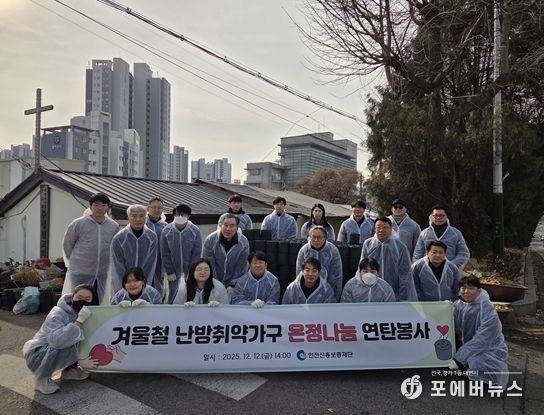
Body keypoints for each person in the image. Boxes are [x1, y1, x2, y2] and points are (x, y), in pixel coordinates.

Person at [22, 284, 98, 394]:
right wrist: (78, 322)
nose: (82, 301)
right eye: (79, 297)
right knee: (65, 341)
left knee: (80, 338)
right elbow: (57, 341)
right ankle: (42, 379)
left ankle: (69, 371)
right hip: (40, 353)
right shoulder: (57, 313)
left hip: (57, 347)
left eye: (87, 299)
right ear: (73, 297)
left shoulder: (83, 312)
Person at [450, 275, 509, 389]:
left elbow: (483, 338)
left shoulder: (487, 308)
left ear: (479, 290)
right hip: (465, 343)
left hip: (488, 347)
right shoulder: (458, 304)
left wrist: (459, 358)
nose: (466, 292)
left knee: (477, 362)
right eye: (463, 288)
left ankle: (491, 379)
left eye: (471, 288)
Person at [61, 192, 119, 304]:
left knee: (97, 300)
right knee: (78, 301)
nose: (100, 208)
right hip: (80, 271)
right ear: (90, 206)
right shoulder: (78, 223)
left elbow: (114, 247)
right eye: (96, 205)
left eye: (103, 205)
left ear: (107, 207)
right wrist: (75, 260)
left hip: (102, 272)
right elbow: (67, 244)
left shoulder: (113, 226)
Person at [360, 217, 417, 301]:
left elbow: (405, 274)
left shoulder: (400, 247)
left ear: (391, 229)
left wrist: (404, 297)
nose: (381, 230)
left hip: (394, 292)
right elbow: (361, 268)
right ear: (375, 229)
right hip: (372, 291)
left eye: (385, 227)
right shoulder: (368, 244)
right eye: (378, 227)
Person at [110, 204, 158, 295]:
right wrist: (124, 286)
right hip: (125, 283)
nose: (138, 219)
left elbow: (150, 263)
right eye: (134, 216)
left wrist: (144, 284)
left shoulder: (151, 237)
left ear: (146, 217)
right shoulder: (119, 238)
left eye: (141, 216)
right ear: (128, 217)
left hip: (144, 281)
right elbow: (117, 265)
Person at [160, 204, 203, 303]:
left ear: (189, 216)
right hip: (173, 271)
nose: (180, 217)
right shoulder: (166, 231)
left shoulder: (195, 231)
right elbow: (165, 253)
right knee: (172, 294)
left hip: (190, 270)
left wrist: (192, 271)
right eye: (178, 214)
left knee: (190, 293)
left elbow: (196, 252)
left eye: (183, 215)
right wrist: (170, 271)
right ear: (174, 215)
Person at [202, 213, 250, 294]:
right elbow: (209, 263)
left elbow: (241, 266)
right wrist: (216, 283)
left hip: (234, 283)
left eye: (232, 226)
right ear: (221, 225)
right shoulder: (210, 240)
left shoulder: (243, 242)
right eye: (226, 225)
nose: (228, 229)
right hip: (212, 281)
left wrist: (233, 284)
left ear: (237, 228)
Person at [413, 205, 470, 270]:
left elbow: (463, 253)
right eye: (436, 215)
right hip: (427, 271)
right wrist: (420, 268)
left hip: (450, 272)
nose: (438, 218)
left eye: (441, 215)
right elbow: (417, 254)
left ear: (446, 216)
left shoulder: (456, 233)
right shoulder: (424, 233)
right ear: (431, 216)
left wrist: (451, 266)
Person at [296, 226, 343, 301]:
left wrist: (334, 297)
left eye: (319, 237)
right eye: (313, 237)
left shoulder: (333, 251)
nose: (316, 240)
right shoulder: (304, 251)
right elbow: (299, 273)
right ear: (309, 237)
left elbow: (336, 277)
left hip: (327, 292)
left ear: (325, 238)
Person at [146, 197, 168, 295]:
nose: (156, 210)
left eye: (159, 208)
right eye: (153, 207)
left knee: (158, 291)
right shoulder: (142, 224)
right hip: (144, 264)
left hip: (160, 265)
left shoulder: (166, 227)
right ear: (148, 209)